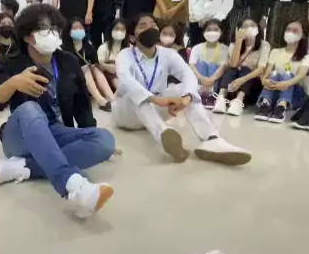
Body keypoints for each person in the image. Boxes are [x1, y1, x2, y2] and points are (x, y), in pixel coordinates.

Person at [0, 4, 116, 218]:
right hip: (21, 135)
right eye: (45, 29)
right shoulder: (11, 62)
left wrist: (88, 133)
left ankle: (22, 167)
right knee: (30, 108)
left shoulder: (68, 61)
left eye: (55, 28)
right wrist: (14, 83)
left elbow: (82, 106)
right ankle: (74, 186)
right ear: (27, 36)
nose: (53, 34)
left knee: (105, 141)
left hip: (56, 131)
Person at [112, 13, 251, 165]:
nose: (149, 28)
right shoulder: (124, 55)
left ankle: (211, 139)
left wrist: (187, 97)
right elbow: (126, 80)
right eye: (143, 26)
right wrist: (155, 99)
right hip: (127, 115)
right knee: (136, 96)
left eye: (153, 25)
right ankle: (165, 135)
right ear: (132, 37)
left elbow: (188, 74)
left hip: (157, 111)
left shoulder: (168, 54)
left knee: (183, 89)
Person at [255, 19, 309, 123]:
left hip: (295, 93)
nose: (290, 32)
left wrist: (287, 83)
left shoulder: (306, 55)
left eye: (295, 30)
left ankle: (282, 106)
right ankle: (265, 103)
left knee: (288, 74)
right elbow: (267, 72)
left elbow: (301, 74)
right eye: (288, 29)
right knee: (274, 74)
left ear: (303, 35)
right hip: (275, 90)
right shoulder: (275, 52)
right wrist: (264, 80)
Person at [214, 18, 269, 116]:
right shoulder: (233, 44)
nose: (249, 28)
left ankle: (239, 101)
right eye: (245, 26)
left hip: (250, 86)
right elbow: (233, 64)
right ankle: (221, 98)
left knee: (246, 69)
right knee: (232, 69)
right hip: (231, 84)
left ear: (258, 29)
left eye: (252, 25)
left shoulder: (264, 45)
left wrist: (242, 80)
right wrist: (239, 41)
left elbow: (260, 69)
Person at [63, 18, 113, 112]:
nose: (78, 30)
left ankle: (112, 97)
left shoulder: (88, 47)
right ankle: (100, 100)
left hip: (89, 78)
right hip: (72, 78)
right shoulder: (65, 49)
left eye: (80, 28)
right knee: (85, 69)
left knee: (95, 68)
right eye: (75, 28)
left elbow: (95, 62)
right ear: (69, 32)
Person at [188, 19, 228, 108]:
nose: (212, 32)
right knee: (202, 63)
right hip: (199, 80)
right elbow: (192, 65)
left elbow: (223, 67)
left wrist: (210, 80)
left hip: (215, 81)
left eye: (216, 30)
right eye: (209, 30)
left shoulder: (225, 49)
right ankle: (201, 93)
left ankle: (211, 95)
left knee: (213, 65)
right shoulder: (197, 48)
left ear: (221, 32)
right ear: (203, 32)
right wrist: (201, 78)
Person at [96, 18, 129, 91]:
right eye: (117, 29)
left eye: (122, 30)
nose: (119, 32)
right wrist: (107, 66)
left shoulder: (130, 49)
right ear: (111, 30)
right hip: (108, 79)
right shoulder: (103, 48)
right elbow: (97, 66)